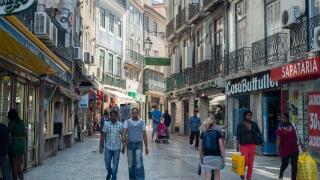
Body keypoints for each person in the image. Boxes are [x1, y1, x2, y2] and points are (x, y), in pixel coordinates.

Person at [122, 108, 149, 180]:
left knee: (138, 162)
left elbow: (144, 135)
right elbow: (124, 132)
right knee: (130, 163)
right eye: (133, 113)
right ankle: (132, 178)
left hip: (138, 145)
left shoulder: (142, 122)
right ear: (131, 114)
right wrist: (124, 143)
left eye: (136, 113)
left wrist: (146, 147)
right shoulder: (127, 122)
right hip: (130, 145)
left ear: (138, 114)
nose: (134, 114)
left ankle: (139, 178)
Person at [236, 111, 262, 180]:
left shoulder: (254, 124)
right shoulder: (240, 125)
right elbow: (238, 136)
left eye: (250, 115)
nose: (249, 117)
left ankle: (249, 177)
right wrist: (237, 145)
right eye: (247, 115)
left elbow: (258, 133)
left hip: (252, 145)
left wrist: (259, 141)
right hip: (243, 145)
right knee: (245, 160)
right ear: (244, 116)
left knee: (251, 162)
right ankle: (242, 172)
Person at [99, 111, 124, 180]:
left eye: (114, 116)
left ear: (117, 116)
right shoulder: (106, 124)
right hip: (108, 147)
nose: (113, 117)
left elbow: (123, 136)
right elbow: (103, 136)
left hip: (117, 148)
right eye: (112, 116)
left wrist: (124, 146)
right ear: (110, 116)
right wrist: (101, 146)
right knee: (107, 163)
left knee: (115, 165)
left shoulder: (120, 125)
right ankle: (109, 172)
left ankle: (113, 177)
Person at [276, 113, 300, 180]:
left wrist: (301, 145)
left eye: (283, 118)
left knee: (294, 166)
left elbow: (297, 135)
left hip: (294, 149)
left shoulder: (293, 125)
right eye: (281, 118)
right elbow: (278, 138)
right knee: (285, 164)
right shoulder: (279, 128)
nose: (282, 119)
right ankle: (281, 172)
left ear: (287, 118)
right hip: (284, 149)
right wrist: (278, 149)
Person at [8, 109, 25, 180]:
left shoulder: (11, 123)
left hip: (14, 145)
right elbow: (25, 134)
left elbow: (8, 135)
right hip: (21, 145)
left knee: (14, 167)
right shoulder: (22, 122)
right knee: (19, 167)